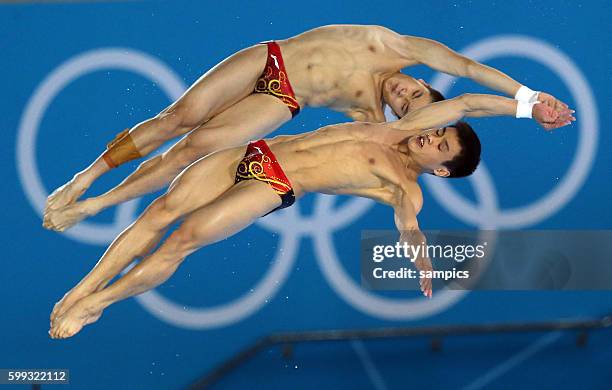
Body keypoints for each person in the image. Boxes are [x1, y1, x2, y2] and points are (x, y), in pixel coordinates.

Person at [48, 93, 574, 339]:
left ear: (441, 171)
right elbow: (470, 103)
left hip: (274, 184)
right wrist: (529, 106)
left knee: (182, 238)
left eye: (438, 145)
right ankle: (77, 292)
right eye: (435, 131)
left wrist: (421, 263)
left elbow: (408, 229)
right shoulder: (396, 127)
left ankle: (100, 302)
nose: (428, 136)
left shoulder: (406, 187)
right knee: (159, 211)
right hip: (254, 152)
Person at [42, 24, 568, 231]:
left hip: (283, 98)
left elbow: (459, 115)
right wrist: (527, 98)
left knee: (193, 148)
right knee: (176, 119)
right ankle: (85, 178)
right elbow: (471, 74)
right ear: (419, 79)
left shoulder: (371, 120)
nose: (401, 97)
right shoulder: (401, 49)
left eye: (407, 110)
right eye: (411, 91)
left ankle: (96, 206)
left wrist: (408, 221)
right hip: (272, 59)